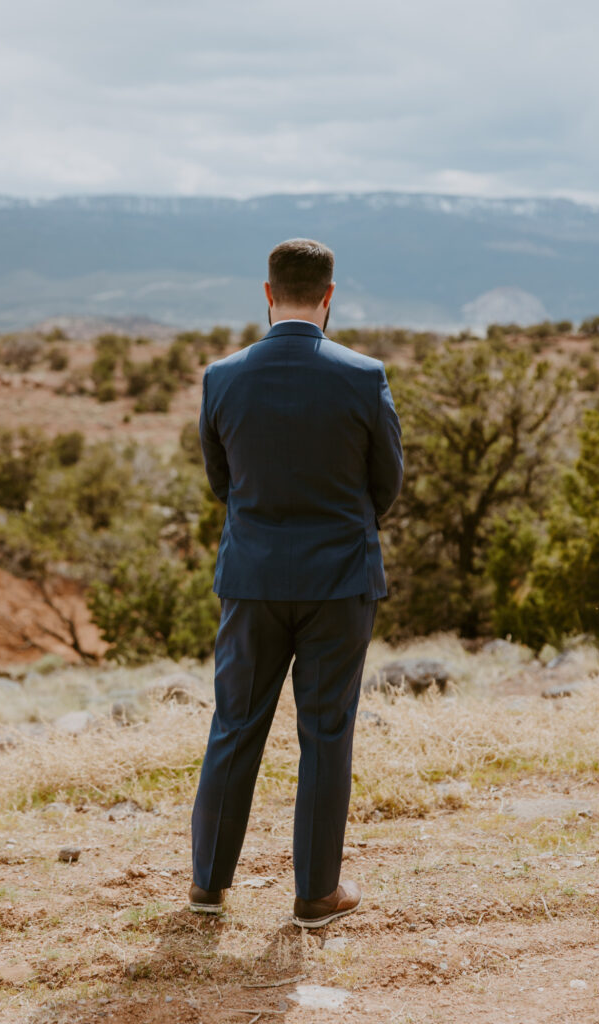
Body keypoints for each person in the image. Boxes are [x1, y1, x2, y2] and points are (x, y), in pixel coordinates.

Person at [189, 238, 403, 928]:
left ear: (267, 292)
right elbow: (386, 483)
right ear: (329, 295)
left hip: (251, 579)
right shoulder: (363, 374)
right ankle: (315, 896)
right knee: (326, 733)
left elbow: (222, 483)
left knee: (234, 726)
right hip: (339, 580)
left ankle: (207, 888)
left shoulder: (221, 377)